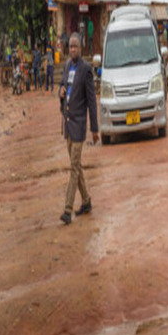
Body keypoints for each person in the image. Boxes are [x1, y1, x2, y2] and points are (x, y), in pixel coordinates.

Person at [58, 33, 99, 225]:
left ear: (81, 48)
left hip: (80, 124)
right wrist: (61, 92)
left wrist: (95, 128)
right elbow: (62, 87)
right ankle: (87, 200)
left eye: (76, 47)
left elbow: (91, 101)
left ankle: (67, 209)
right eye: (71, 47)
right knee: (77, 166)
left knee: (73, 167)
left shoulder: (86, 69)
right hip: (67, 123)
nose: (73, 49)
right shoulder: (67, 66)